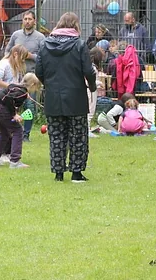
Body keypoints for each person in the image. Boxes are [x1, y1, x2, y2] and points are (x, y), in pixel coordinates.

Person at [36, 12, 96, 183]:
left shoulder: (45, 44)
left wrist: (49, 85)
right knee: (78, 135)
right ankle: (76, 172)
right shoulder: (79, 44)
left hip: (53, 97)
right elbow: (88, 71)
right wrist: (91, 87)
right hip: (76, 96)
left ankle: (58, 173)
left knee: (56, 135)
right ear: (75, 25)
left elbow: (38, 72)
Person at [0, 73, 41, 169]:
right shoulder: (22, 92)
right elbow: (9, 98)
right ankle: (15, 161)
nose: (35, 91)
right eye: (36, 88)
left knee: (4, 132)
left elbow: (11, 97)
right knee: (18, 130)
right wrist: (14, 114)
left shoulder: (17, 87)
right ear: (32, 85)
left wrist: (14, 113)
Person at [4, 10, 45, 141]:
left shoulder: (40, 37)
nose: (27, 21)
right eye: (25, 19)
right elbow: (7, 50)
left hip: (31, 77)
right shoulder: (16, 35)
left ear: (34, 21)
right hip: (16, 75)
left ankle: (25, 134)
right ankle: (12, 131)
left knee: (29, 105)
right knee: (12, 104)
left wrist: (30, 56)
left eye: (30, 19)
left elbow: (44, 57)